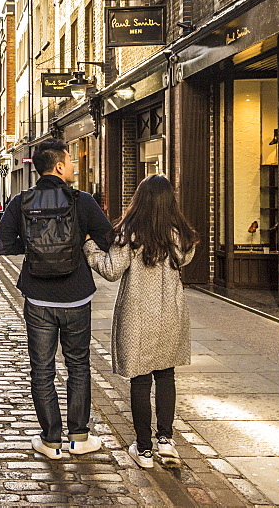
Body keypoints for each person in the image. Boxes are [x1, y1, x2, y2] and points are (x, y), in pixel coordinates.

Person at [0, 139, 112, 460]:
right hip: (76, 298)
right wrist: (81, 243)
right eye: (71, 161)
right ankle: (79, 436)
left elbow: (1, 245)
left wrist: (31, 249)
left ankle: (51, 440)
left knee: (42, 370)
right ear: (59, 166)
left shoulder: (21, 201)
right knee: (78, 366)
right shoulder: (82, 201)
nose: (73, 166)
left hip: (39, 298)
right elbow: (108, 238)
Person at [83, 174, 197, 469]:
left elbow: (110, 269)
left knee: (141, 379)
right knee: (166, 375)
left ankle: (144, 449)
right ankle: (166, 440)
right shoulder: (180, 233)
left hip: (139, 315)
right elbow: (185, 259)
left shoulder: (130, 234)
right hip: (171, 313)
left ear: (140, 200)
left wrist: (90, 249)